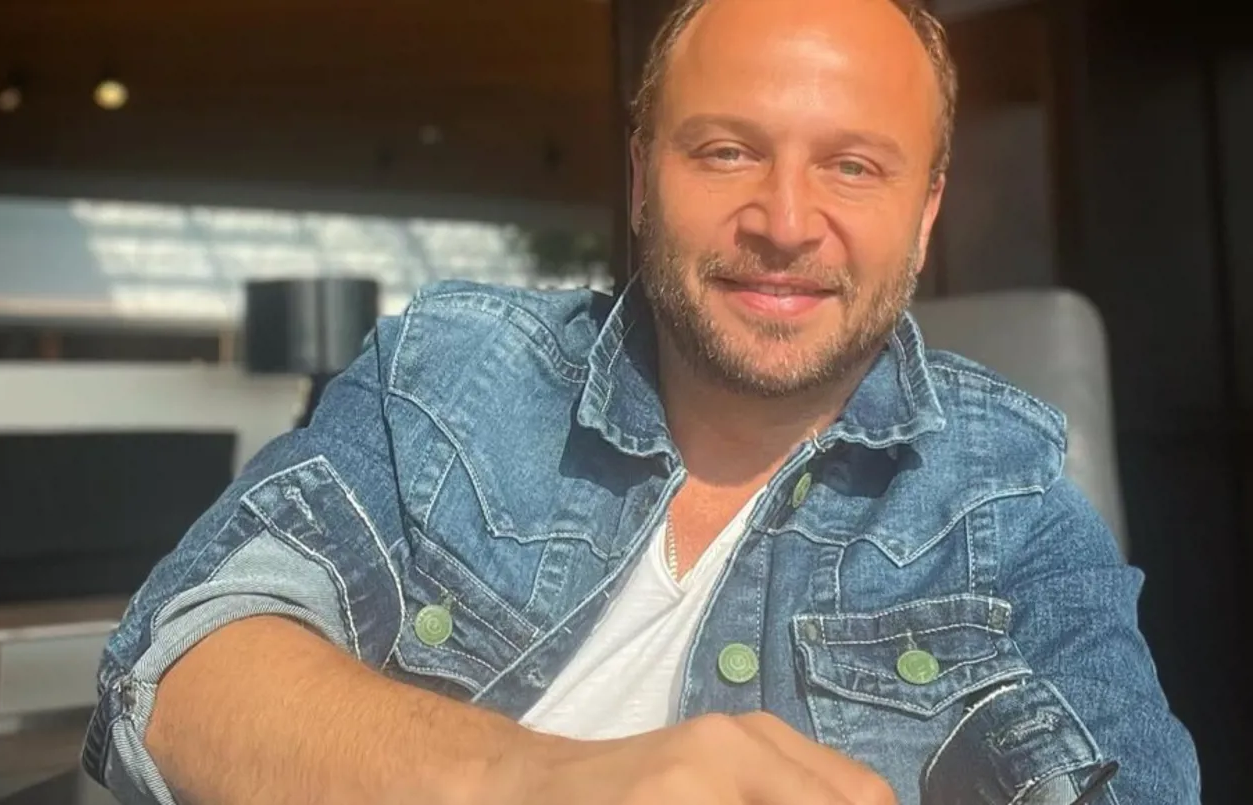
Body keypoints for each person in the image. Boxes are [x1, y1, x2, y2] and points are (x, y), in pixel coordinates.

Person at [82, 0, 1200, 802]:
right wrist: (544, 780)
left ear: (927, 211)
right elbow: (183, 665)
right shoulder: (446, 376)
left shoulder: (1012, 501)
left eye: (853, 166)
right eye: (726, 151)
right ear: (640, 178)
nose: (785, 221)